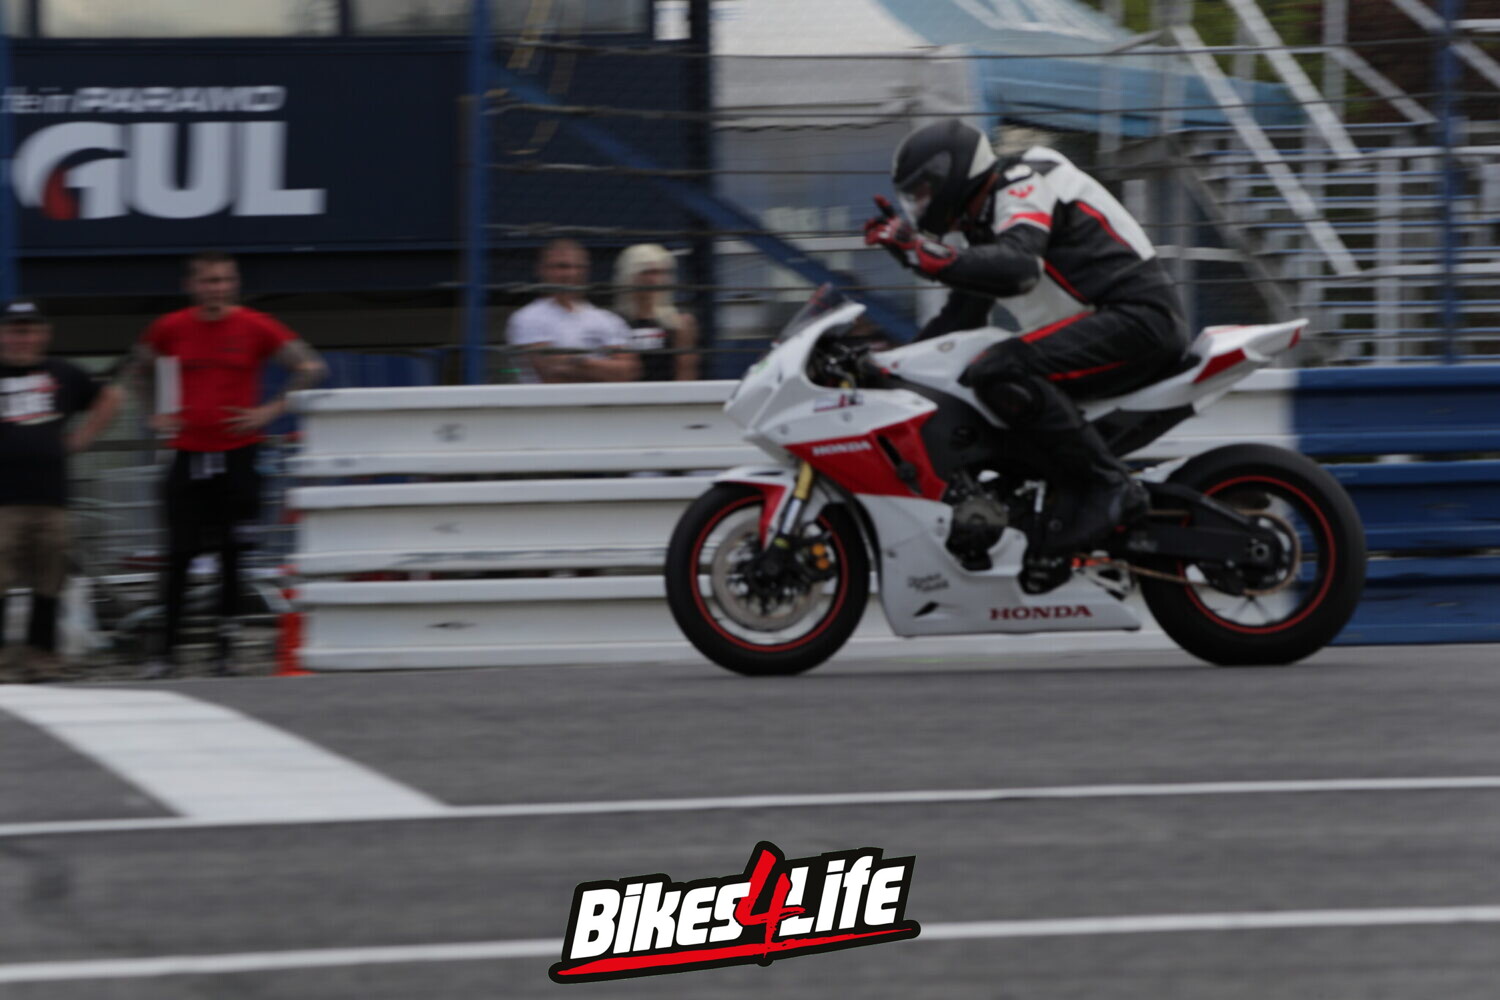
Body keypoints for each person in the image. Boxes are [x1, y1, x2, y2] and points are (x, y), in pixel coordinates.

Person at [864, 119, 1190, 554]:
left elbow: (1018, 268)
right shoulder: (981, 224)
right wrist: (889, 370)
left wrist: (924, 253)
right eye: (911, 197)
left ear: (950, 174)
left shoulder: (1024, 178)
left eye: (921, 192)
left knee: (1000, 369)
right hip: (1106, 328)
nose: (917, 206)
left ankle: (1109, 486)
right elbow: (960, 315)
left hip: (1139, 319)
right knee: (972, 378)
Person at [127, 251, 327, 678]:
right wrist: (153, 415)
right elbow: (136, 367)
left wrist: (270, 410)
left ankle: (225, 650)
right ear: (192, 285)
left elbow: (310, 366)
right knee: (179, 555)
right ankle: (164, 654)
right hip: (188, 454)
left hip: (239, 454)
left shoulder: (256, 325)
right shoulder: (171, 327)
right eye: (208, 281)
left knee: (233, 556)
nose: (216, 289)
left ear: (234, 284)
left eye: (223, 281)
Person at [0, 300, 121, 682]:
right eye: (15, 330)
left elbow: (110, 397)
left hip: (51, 499)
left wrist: (83, 437)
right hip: (3, 502)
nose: (22, 337)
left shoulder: (63, 373)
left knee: (49, 580)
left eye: (29, 329)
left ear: (44, 334)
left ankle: (42, 657)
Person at [506, 239, 640, 383]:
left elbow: (628, 372)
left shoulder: (608, 319)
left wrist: (576, 362)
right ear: (542, 270)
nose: (570, 273)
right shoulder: (527, 318)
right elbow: (551, 373)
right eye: (561, 267)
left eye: (578, 267)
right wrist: (603, 367)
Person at [613, 244, 699, 381]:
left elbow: (686, 373)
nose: (654, 280)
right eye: (647, 272)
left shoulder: (680, 324)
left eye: (661, 272)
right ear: (630, 276)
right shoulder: (613, 322)